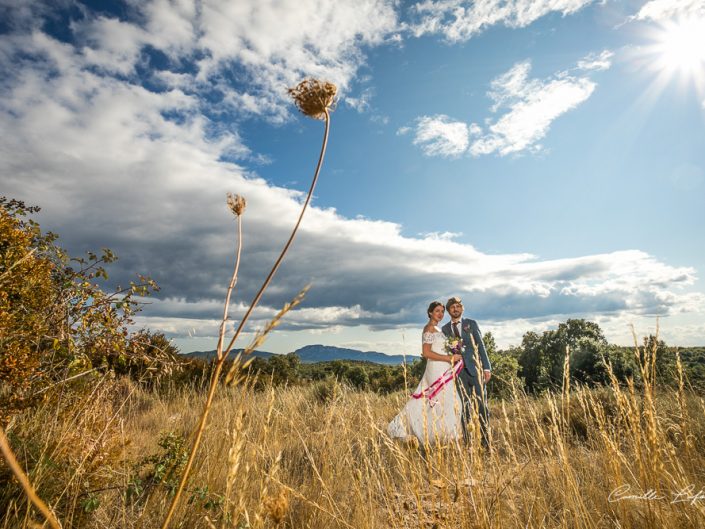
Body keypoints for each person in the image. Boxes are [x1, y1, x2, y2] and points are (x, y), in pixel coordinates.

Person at [387, 301, 464, 446]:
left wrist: (455, 350)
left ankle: (442, 436)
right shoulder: (429, 328)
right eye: (437, 311)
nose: (440, 314)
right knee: (445, 402)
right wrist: (449, 358)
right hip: (435, 369)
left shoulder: (438, 328)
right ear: (430, 313)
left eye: (442, 311)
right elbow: (426, 353)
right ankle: (434, 436)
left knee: (446, 403)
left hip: (444, 368)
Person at [441, 296, 491, 448]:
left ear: (462, 308)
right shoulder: (445, 329)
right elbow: (445, 349)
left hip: (476, 370)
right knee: (464, 408)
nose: (455, 309)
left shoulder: (471, 324)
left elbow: (481, 346)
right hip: (458, 373)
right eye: (452, 307)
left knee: (482, 406)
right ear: (449, 311)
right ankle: (468, 444)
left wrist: (487, 367)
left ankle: (486, 444)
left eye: (458, 306)